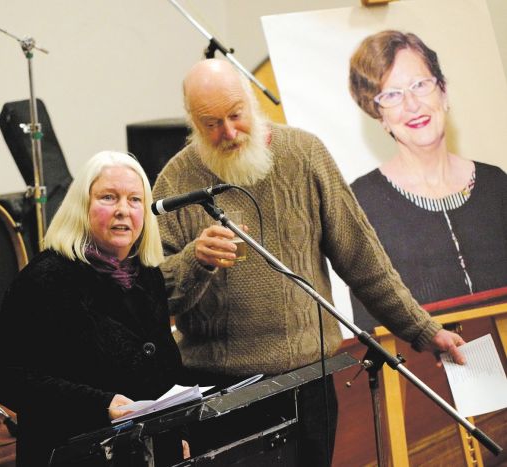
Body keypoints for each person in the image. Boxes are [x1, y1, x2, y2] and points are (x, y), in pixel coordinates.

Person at [152, 58, 466, 466]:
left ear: (251, 99)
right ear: (191, 121)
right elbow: (152, 296)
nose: (228, 132)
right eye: (211, 123)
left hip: (309, 380)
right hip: (221, 392)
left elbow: (363, 260)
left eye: (235, 115)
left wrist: (422, 330)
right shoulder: (174, 182)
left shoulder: (304, 153)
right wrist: (196, 260)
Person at [0, 151, 185, 466]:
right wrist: (101, 404)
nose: (123, 210)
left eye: (135, 199)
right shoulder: (45, 278)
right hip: (72, 454)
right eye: (109, 197)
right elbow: (11, 380)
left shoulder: (146, 273)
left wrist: (175, 437)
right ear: (82, 205)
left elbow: (163, 366)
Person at [348, 30, 507, 330]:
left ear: (443, 92)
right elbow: (375, 330)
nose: (412, 104)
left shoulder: (497, 185)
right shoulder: (362, 204)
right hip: (422, 374)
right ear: (379, 115)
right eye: (392, 94)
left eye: (420, 85)